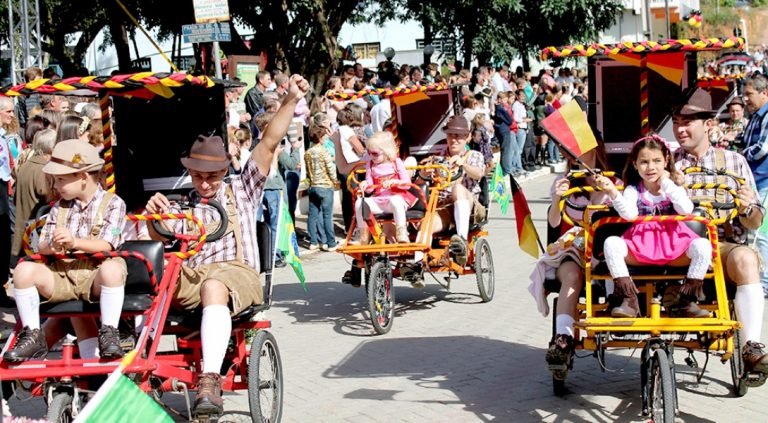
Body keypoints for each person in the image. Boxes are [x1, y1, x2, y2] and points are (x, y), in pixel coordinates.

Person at [144, 74, 310, 416]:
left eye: (212, 176)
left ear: (223, 171)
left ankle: (209, 379)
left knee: (214, 285)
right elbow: (161, 237)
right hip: (196, 277)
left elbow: (268, 143)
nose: (204, 184)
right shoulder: (184, 203)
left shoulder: (242, 188)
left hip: (238, 275)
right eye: (198, 176)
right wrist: (153, 217)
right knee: (149, 282)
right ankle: (136, 363)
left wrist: (291, 100)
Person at [671, 88, 768, 376]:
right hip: (677, 248)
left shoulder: (735, 162)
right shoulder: (666, 162)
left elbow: (755, 221)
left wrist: (748, 208)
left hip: (721, 245)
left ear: (708, 124)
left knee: (746, 258)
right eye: (676, 122)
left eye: (687, 122)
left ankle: (752, 347)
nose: (680, 129)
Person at [4, 140, 127, 362]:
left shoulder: (113, 203)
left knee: (112, 269)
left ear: (83, 177)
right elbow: (41, 244)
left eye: (61, 179)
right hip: (62, 274)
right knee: (23, 270)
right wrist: (51, 246)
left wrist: (74, 242)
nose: (56, 186)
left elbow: (107, 244)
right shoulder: (59, 207)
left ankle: (109, 332)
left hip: (94, 274)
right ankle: (32, 334)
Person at [597, 135, 712, 318]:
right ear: (635, 164)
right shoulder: (633, 190)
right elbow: (630, 214)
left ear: (666, 161)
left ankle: (687, 299)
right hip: (640, 246)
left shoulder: (673, 188)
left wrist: (666, 182)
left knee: (703, 245)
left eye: (657, 161)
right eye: (644, 162)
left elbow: (686, 209)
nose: (650, 167)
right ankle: (629, 299)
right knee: (611, 243)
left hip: (674, 246)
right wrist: (613, 192)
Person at [530, 137, 615, 371]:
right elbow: (554, 222)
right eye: (571, 151)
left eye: (580, 149)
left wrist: (607, 190)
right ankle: (563, 339)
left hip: (607, 247)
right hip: (575, 246)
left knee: (613, 266)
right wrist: (557, 197)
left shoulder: (614, 180)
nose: (574, 155)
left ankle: (616, 311)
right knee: (572, 276)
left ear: (594, 149)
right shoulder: (565, 180)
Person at [420, 116, 485, 265]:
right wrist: (423, 174)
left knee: (457, 189)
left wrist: (463, 165)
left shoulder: (474, 155)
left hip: (470, 207)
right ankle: (417, 264)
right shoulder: (437, 158)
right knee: (426, 225)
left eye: (458, 136)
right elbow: (419, 184)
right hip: (444, 207)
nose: (453, 140)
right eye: (450, 135)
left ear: (467, 137)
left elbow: (479, 173)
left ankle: (461, 241)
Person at [350, 131, 413, 245]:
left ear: (386, 151)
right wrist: (365, 184)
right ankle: (363, 236)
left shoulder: (396, 162)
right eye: (369, 152)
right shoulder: (370, 165)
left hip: (396, 199)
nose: (371, 156)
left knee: (395, 200)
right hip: (379, 200)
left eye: (374, 153)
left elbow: (407, 184)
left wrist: (394, 182)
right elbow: (370, 189)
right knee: (360, 203)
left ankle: (402, 233)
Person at [741, 75, 768, 297]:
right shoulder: (754, 117)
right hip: (755, 181)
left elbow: (763, 148)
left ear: (764, 93)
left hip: (764, 181)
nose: (745, 99)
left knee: (761, 233)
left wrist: (740, 155)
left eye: (749, 94)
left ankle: (765, 283)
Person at [304, 124, 338, 251]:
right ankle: (331, 243)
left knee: (313, 215)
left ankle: (314, 241)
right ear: (320, 138)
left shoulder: (308, 153)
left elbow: (308, 170)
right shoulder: (324, 152)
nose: (325, 138)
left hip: (313, 186)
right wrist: (334, 180)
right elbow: (330, 168)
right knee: (327, 216)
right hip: (325, 186)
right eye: (324, 136)